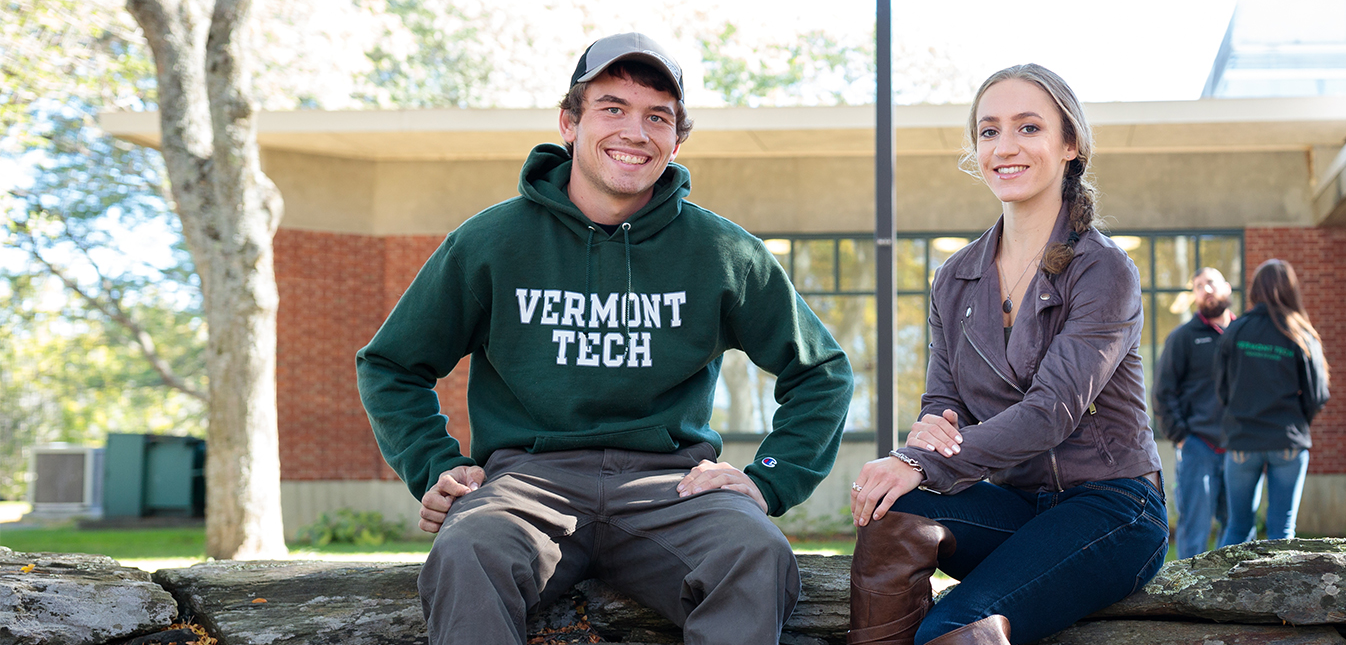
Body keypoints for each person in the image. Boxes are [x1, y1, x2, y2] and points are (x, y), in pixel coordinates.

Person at [355, 32, 853, 645]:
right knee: (467, 550)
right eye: (611, 108)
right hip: (526, 483)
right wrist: (437, 466)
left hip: (673, 485)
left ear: (677, 138)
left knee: (755, 552)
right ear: (569, 122)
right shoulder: (492, 242)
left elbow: (821, 372)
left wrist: (770, 479)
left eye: (657, 117)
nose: (635, 132)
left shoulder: (721, 252)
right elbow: (392, 364)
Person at [845, 64, 1167, 645]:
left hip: (1112, 508)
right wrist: (922, 442)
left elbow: (1049, 413)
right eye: (989, 131)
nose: (1005, 147)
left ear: (1070, 145)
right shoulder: (955, 277)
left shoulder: (1103, 270)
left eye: (1028, 128)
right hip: (1016, 506)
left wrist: (920, 460)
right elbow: (942, 404)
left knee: (954, 626)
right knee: (890, 506)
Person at [1213, 258, 1330, 547]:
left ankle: (1226, 591)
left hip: (1242, 440)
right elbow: (1317, 395)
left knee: (1237, 528)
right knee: (1283, 531)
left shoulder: (1235, 331)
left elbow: (1222, 389)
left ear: (1255, 290)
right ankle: (1284, 593)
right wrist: (1297, 419)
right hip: (1287, 439)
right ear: (1291, 290)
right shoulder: (1301, 334)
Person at [1155, 268, 1233, 559]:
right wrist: (1181, 437)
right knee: (1195, 529)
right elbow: (1163, 392)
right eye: (1198, 286)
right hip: (1198, 446)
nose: (1206, 290)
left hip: (1240, 447)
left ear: (1226, 287)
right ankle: (1186, 601)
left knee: (1238, 528)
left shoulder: (1243, 334)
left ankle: (1233, 595)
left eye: (1211, 283)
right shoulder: (1183, 337)